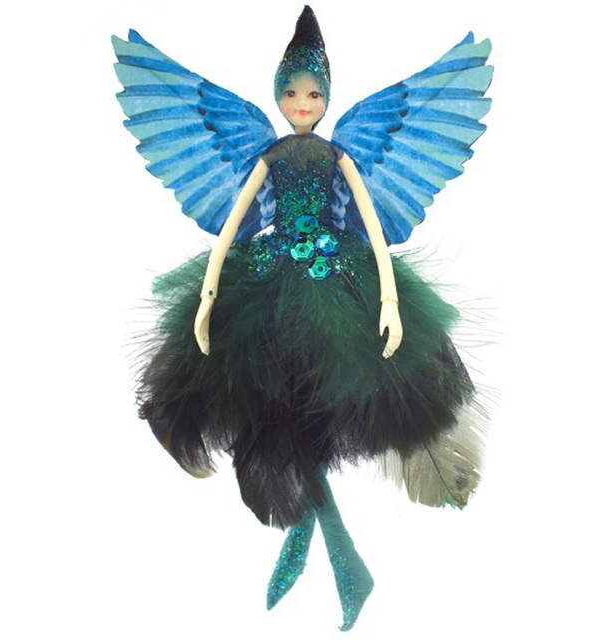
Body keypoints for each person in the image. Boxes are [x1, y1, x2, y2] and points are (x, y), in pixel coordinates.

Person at [113, 6, 492, 630]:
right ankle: (342, 560)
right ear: (277, 94)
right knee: (278, 408)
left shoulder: (341, 153)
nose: (301, 104)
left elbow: (373, 228)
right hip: (265, 283)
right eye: (291, 93)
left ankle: (328, 551)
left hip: (338, 283)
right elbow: (233, 223)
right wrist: (207, 296)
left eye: (313, 94)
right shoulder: (269, 152)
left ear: (328, 97)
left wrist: (390, 299)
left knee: (309, 405)